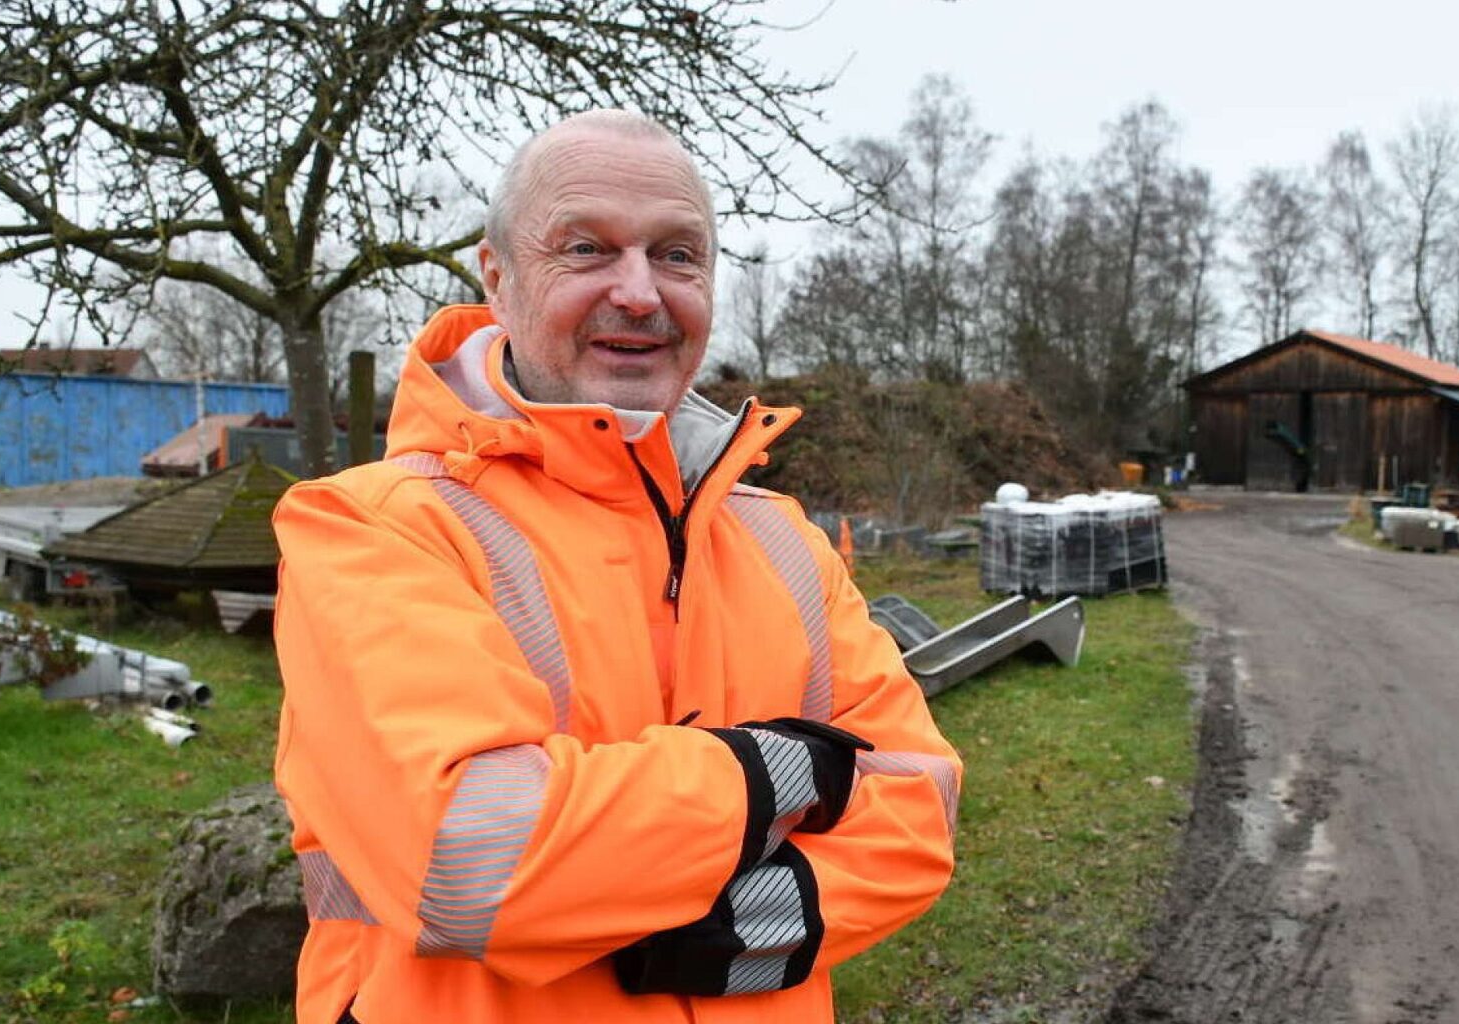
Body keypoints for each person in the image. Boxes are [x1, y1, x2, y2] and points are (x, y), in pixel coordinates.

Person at [271, 110, 961, 1024]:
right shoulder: (370, 528)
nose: (639, 293)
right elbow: (476, 861)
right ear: (498, 277)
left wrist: (721, 927)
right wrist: (778, 773)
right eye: (588, 248)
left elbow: (919, 808)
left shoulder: (781, 539)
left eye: (678, 255)